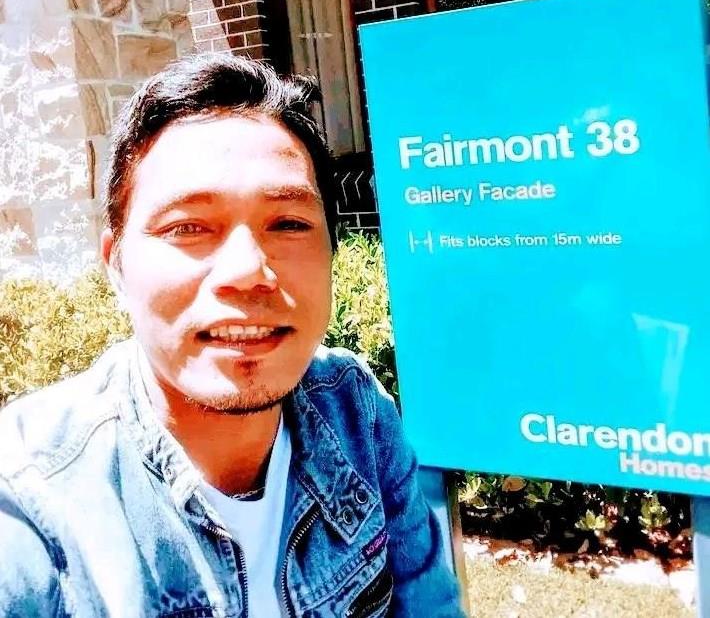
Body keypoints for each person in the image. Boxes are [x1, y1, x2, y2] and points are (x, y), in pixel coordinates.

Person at [0, 53, 466, 618]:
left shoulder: (355, 413)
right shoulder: (30, 502)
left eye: (288, 223)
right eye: (188, 226)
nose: (248, 270)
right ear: (115, 264)